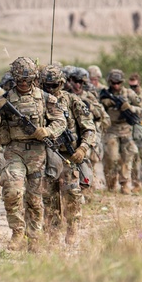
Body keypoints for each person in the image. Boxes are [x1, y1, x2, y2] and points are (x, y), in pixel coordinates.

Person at [0, 56, 66, 251]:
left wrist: (47, 131)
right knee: (12, 191)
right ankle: (17, 232)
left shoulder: (46, 99)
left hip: (37, 153)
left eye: (27, 80)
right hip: (14, 151)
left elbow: (60, 121)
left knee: (35, 199)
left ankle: (34, 236)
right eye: (19, 80)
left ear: (33, 79)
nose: (23, 83)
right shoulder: (4, 100)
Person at [40, 63, 95, 245]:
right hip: (45, 155)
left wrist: (83, 148)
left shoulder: (72, 102)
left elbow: (89, 128)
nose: (50, 89)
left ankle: (72, 227)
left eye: (54, 85)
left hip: (68, 157)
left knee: (72, 194)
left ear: (62, 84)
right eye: (46, 85)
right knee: (49, 196)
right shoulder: (38, 102)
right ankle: (52, 232)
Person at [99, 69, 142, 193]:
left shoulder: (129, 94)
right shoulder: (104, 94)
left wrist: (130, 107)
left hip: (126, 130)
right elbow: (96, 109)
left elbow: (141, 110)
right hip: (111, 129)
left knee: (128, 157)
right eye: (113, 83)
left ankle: (125, 184)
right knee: (111, 158)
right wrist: (105, 104)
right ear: (109, 82)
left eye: (118, 83)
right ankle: (111, 183)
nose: (116, 85)